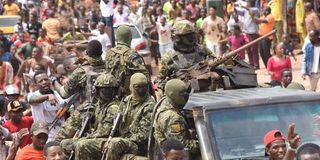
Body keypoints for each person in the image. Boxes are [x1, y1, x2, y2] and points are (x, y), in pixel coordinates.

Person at [57, 74, 120, 160]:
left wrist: (88, 136)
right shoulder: (98, 105)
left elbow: (105, 131)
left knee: (81, 144)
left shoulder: (114, 107)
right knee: (64, 144)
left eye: (110, 89)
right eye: (104, 90)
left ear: (115, 90)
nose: (107, 93)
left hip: (108, 140)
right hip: (97, 138)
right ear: (97, 90)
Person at [103, 73, 156, 159]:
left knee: (115, 143)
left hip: (138, 145)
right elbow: (117, 123)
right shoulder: (127, 100)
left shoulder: (149, 105)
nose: (142, 89)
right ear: (131, 87)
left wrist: (123, 139)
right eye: (138, 87)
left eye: (144, 86)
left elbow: (143, 135)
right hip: (123, 139)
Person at [155, 20, 212, 94]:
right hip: (183, 98)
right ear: (177, 38)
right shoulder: (169, 58)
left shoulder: (202, 50)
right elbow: (159, 81)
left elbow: (216, 62)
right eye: (188, 36)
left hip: (206, 93)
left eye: (193, 34)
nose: (193, 37)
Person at [153, 79, 199, 158]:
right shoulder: (173, 118)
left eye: (186, 92)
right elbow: (182, 146)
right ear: (173, 94)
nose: (186, 95)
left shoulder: (166, 102)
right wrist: (204, 143)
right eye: (182, 93)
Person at [105, 25, 149, 97]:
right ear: (130, 38)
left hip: (112, 96)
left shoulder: (109, 53)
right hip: (128, 97)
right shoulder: (132, 55)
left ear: (117, 37)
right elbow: (144, 78)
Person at [27, 71, 66, 141]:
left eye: (46, 79)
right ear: (36, 84)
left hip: (61, 135)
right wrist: (48, 96)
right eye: (40, 81)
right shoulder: (33, 95)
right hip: (45, 137)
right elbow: (32, 100)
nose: (44, 82)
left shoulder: (56, 94)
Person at [235, 1, 260, 69]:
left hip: (253, 32)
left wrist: (243, 7)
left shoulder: (255, 9)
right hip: (247, 32)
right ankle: (251, 64)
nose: (246, 4)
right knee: (248, 49)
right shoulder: (245, 10)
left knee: (254, 49)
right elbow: (237, 11)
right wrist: (234, 6)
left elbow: (250, 10)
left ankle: (256, 65)